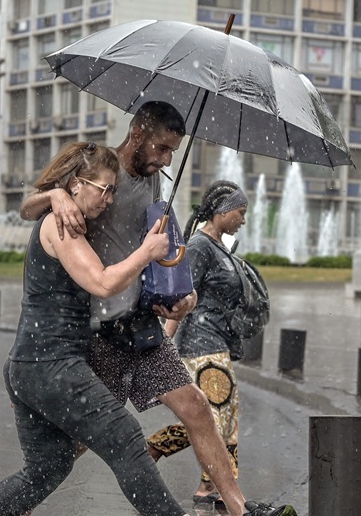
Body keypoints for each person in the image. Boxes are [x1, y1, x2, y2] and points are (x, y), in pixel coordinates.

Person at [20, 102, 296, 516]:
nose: (167, 159)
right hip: (99, 333)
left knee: (197, 408)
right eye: (161, 148)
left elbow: (155, 255)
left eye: (172, 151)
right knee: (77, 441)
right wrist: (56, 194)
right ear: (137, 134)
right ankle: (19, 498)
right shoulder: (100, 175)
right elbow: (28, 208)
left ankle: (241, 509)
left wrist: (179, 298)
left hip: (140, 327)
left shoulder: (154, 182)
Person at [0, 141, 184, 516]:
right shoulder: (61, 226)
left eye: (114, 191)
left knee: (48, 467)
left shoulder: (66, 218)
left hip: (31, 365)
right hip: (51, 365)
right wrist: (147, 252)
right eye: (105, 190)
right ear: (77, 185)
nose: (109, 200)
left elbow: (27, 206)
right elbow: (102, 283)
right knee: (126, 438)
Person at [147, 180, 250, 507]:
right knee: (215, 416)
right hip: (200, 343)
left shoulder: (219, 246)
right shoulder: (200, 246)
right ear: (221, 211)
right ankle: (155, 454)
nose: (243, 220)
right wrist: (164, 340)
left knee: (223, 415)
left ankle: (209, 484)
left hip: (216, 341)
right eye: (240, 212)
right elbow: (181, 296)